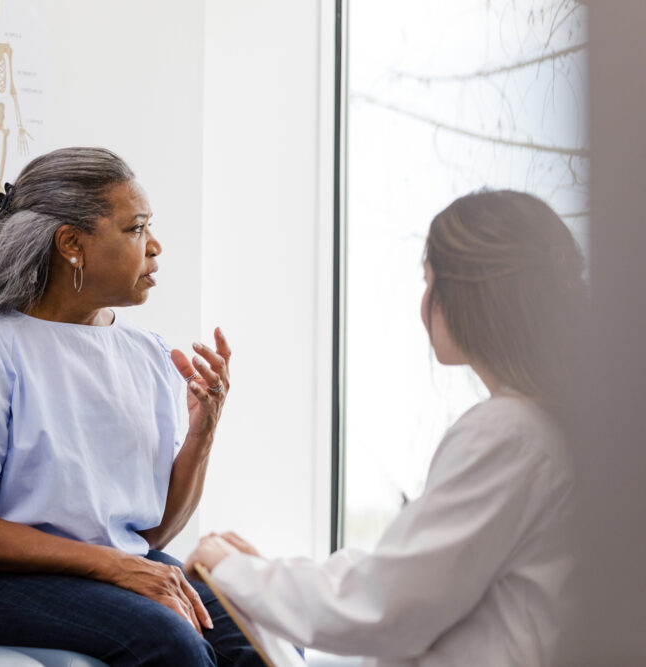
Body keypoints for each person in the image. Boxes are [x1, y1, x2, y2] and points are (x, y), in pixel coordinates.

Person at [186, 190, 587, 666]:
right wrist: (263, 572)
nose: (422, 305)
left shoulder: (510, 434)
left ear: (464, 293)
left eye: (429, 281)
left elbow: (386, 605)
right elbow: (409, 572)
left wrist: (233, 572)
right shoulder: (551, 432)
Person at [0, 147, 260, 666]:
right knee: (170, 644)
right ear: (71, 244)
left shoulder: (148, 354)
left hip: (103, 569)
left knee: (257, 629)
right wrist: (114, 567)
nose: (155, 246)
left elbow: (150, 533)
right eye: (136, 228)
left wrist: (203, 432)